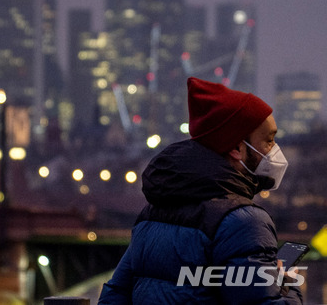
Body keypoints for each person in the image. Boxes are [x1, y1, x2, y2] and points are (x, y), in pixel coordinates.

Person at [98, 77, 302, 304]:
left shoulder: (153, 212)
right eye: (269, 140)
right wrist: (286, 282)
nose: (275, 150)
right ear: (237, 148)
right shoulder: (243, 222)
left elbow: (114, 295)